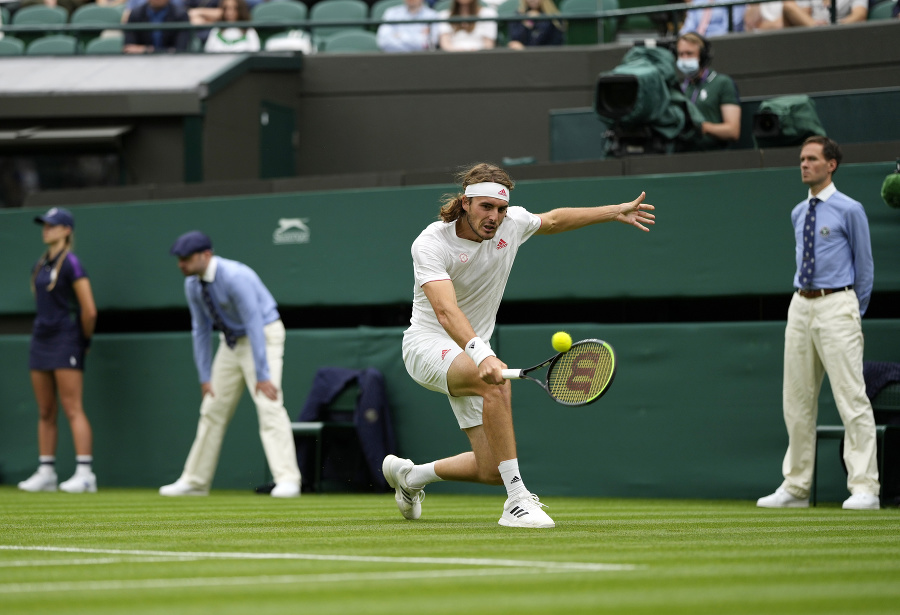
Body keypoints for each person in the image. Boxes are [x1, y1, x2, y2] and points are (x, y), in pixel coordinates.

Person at [382, 163, 655, 528]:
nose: (495, 217)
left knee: (491, 467)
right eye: (486, 207)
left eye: (501, 209)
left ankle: (411, 477)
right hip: (427, 346)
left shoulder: (511, 226)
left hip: (473, 352)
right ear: (465, 202)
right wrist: (483, 354)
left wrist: (613, 212)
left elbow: (555, 220)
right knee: (495, 382)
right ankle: (517, 501)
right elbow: (446, 312)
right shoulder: (431, 243)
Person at [757, 136, 880, 511]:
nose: (804, 165)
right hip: (800, 306)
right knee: (795, 399)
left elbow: (866, 268)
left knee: (851, 397)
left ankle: (865, 488)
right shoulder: (798, 212)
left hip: (837, 303)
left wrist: (849, 312)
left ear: (832, 165)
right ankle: (795, 486)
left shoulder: (850, 209)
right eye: (801, 159)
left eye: (812, 159)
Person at [160, 231, 301, 498]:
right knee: (212, 408)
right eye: (179, 259)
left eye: (187, 258)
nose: (181, 264)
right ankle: (195, 481)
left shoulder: (235, 276)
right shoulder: (192, 284)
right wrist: (205, 377)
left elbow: (254, 323)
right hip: (232, 342)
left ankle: (288, 480)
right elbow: (200, 330)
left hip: (264, 335)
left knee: (268, 404)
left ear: (206, 255)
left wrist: (262, 374)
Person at [18, 207, 98, 494]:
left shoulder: (73, 264)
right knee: (45, 409)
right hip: (41, 338)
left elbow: (89, 311)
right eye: (44, 225)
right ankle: (47, 471)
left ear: (66, 230)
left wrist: (83, 341)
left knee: (72, 407)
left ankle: (86, 474)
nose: (46, 229)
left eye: (53, 225)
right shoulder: (39, 266)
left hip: (65, 339)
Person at [676, 32, 741, 150]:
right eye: (681, 54)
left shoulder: (722, 83)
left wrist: (703, 127)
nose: (684, 59)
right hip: (684, 156)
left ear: (703, 56)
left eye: (689, 54)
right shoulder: (680, 88)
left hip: (715, 157)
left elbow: (733, 131)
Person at [123, 0, 192, 54]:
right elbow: (129, 48)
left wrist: (147, 50)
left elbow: (180, 49)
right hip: (140, 63)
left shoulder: (180, 15)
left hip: (172, 63)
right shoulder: (135, 14)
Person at [678, 0, 745, 37]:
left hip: (722, 43)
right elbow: (689, 27)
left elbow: (730, 27)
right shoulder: (697, 2)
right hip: (698, 43)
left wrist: (707, 40)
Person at [783, 0, 868, 25]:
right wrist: (815, 25)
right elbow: (804, 14)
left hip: (840, 31)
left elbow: (859, 14)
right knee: (789, 5)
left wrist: (836, 25)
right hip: (811, 32)